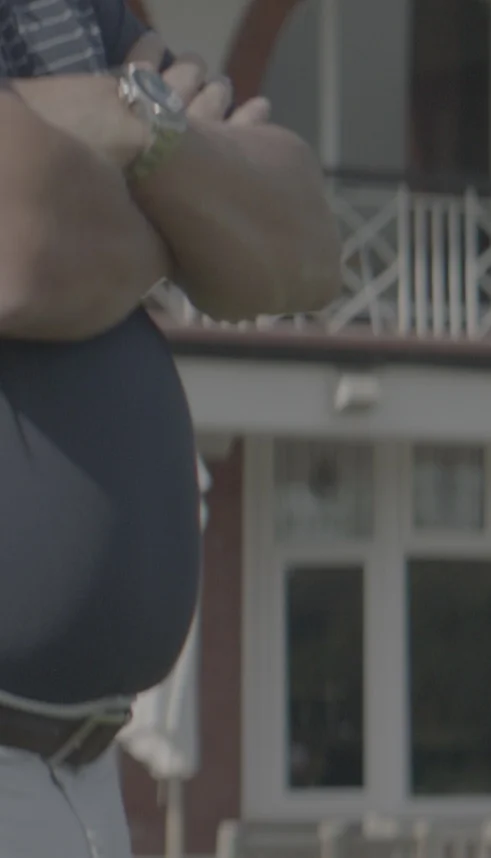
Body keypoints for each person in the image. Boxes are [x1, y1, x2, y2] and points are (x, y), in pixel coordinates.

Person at [0, 0, 341, 853]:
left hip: (86, 780)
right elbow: (21, 245)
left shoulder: (75, 10)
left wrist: (112, 132)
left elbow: (304, 243)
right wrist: (183, 208)